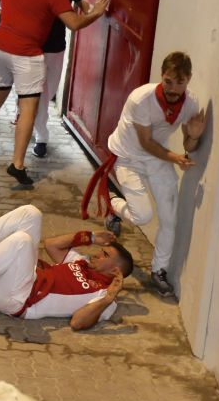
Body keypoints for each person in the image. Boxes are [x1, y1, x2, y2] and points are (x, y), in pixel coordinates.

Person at [0, 0, 109, 187]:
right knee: (28, 109)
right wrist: (96, 13)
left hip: (1, 46)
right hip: (27, 55)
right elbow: (74, 23)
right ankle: (17, 164)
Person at [81, 51, 207, 297]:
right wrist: (176, 158)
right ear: (163, 76)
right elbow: (146, 142)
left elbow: (189, 147)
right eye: (168, 81)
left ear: (188, 79)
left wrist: (194, 135)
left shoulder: (190, 104)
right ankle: (112, 203)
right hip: (129, 158)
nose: (173, 88)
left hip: (157, 160)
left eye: (179, 82)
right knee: (142, 217)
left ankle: (159, 271)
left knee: (170, 220)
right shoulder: (142, 99)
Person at [0, 205, 133, 330]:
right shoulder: (81, 263)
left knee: (21, 241)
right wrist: (89, 236)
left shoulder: (104, 296)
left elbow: (78, 322)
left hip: (17, 300)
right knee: (31, 213)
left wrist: (108, 298)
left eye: (105, 255)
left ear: (116, 270)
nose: (98, 253)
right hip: (14, 280)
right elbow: (51, 244)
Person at [28, 0, 90, 158]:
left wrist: (99, 10)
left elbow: (85, 7)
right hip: (32, 45)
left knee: (47, 92)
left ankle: (36, 128)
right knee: (35, 93)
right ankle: (40, 134)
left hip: (55, 47)